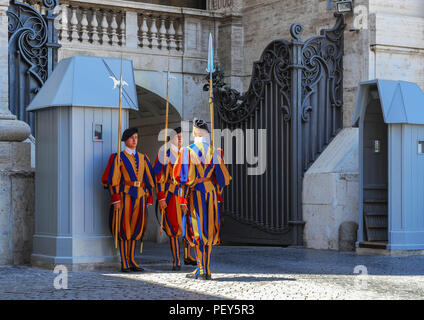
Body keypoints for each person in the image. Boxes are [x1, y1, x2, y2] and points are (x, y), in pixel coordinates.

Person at [173, 119, 232, 280]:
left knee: (196, 229)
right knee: (209, 229)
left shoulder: (187, 151)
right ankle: (206, 269)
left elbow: (183, 178)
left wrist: (182, 200)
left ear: (195, 133)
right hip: (211, 194)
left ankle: (201, 269)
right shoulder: (215, 151)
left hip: (196, 193)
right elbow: (221, 179)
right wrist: (216, 193)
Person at [101, 127, 155, 273]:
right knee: (125, 229)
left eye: (136, 137)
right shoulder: (118, 157)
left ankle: (132, 260)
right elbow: (113, 180)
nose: (134, 140)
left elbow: (149, 180)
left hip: (140, 197)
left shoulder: (144, 158)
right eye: (132, 137)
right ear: (125, 140)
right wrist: (116, 199)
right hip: (125, 196)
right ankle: (124, 262)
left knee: (136, 228)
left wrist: (149, 196)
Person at [153, 127, 196, 271]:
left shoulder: (184, 153)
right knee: (173, 227)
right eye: (177, 136)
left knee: (187, 224)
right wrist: (160, 197)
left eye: (181, 136)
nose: (180, 139)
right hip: (171, 194)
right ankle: (176, 260)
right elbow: (158, 177)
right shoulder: (164, 153)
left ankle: (187, 255)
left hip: (185, 193)